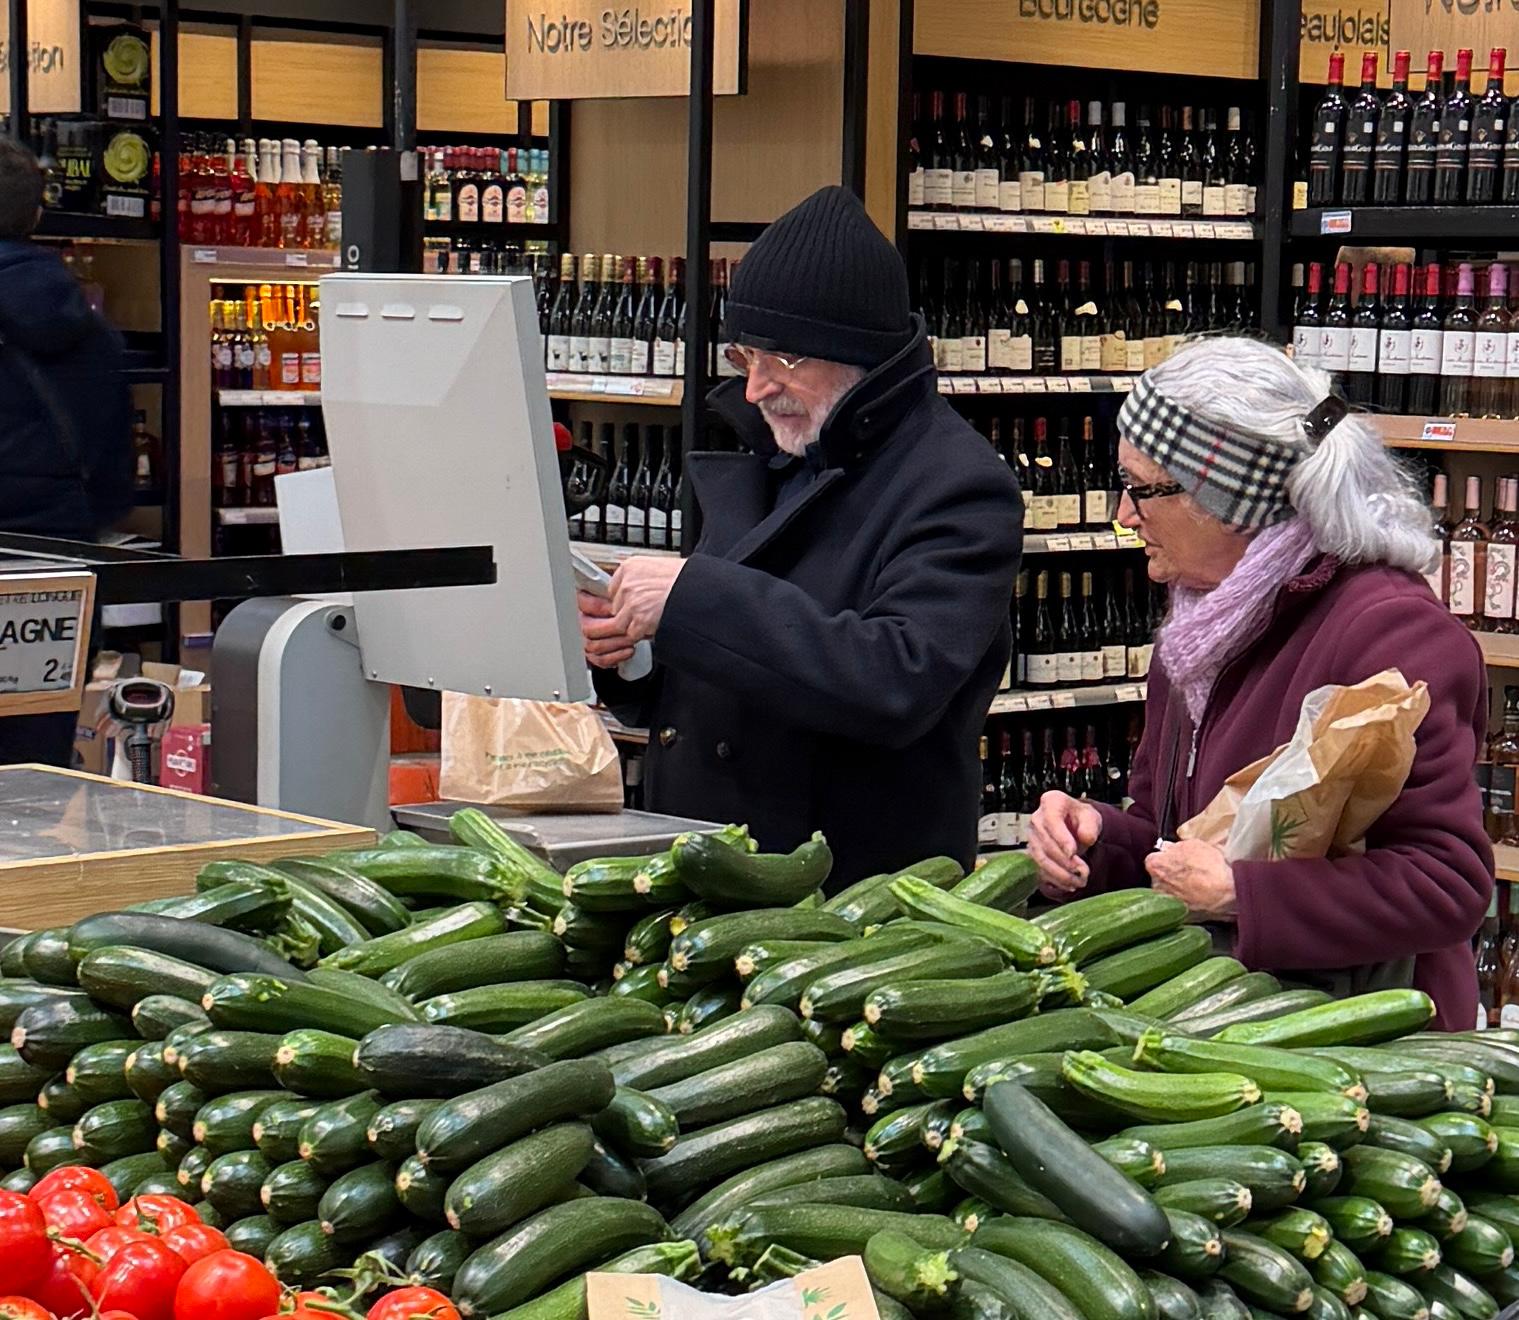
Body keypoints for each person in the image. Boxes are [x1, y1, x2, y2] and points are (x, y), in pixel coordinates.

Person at [1027, 336, 1492, 1030]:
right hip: (1237, 1023)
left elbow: (1446, 886)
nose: (1123, 517)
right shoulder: (1199, 623)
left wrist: (1244, 894)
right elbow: (1175, 833)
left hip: (1366, 1053)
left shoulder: (1390, 633)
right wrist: (1096, 843)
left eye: (1142, 490)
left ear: (1230, 500)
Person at [580, 186, 1023, 888]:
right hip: (712, 870)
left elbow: (896, 679)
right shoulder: (780, 455)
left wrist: (695, 599)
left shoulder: (958, 486)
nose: (755, 389)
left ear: (859, 356)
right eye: (743, 357)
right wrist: (634, 656)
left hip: (847, 905)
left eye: (781, 361)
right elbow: (741, 661)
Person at [0, 137, 133, 766]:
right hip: (60, 571)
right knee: (34, 766)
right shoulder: (93, 334)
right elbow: (114, 481)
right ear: (35, 216)